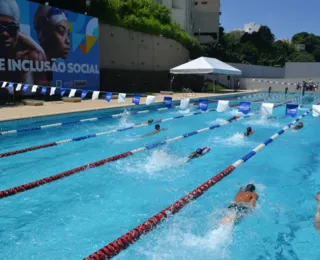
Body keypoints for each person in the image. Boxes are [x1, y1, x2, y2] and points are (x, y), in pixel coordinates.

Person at [0, 0, 48, 85]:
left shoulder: (33, 53)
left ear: (18, 30)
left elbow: (41, 92)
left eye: (11, 28)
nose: (5, 34)